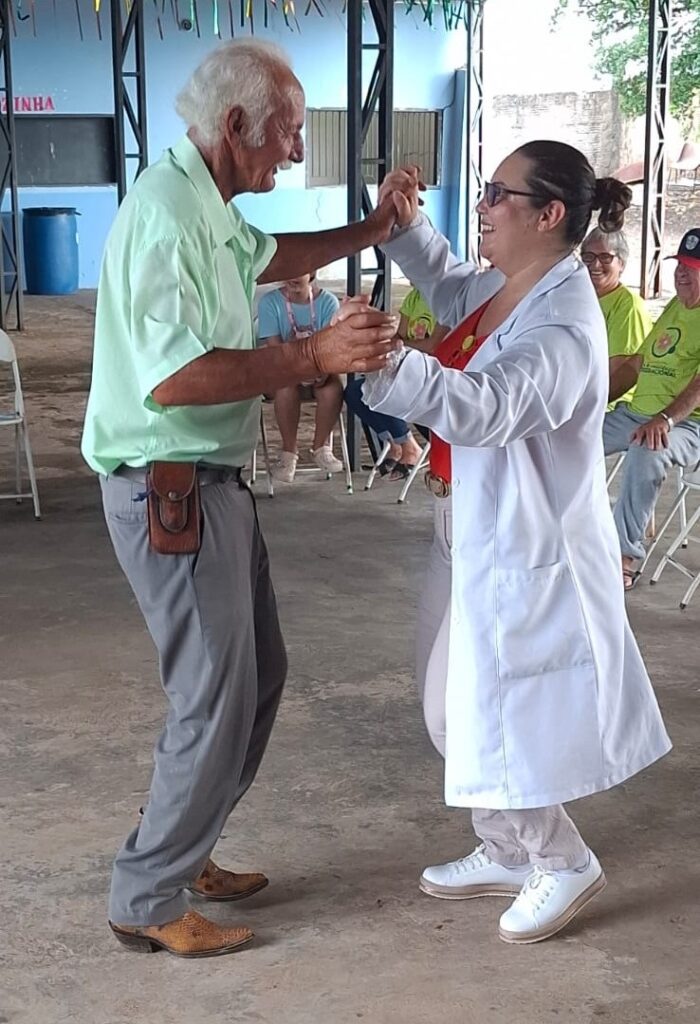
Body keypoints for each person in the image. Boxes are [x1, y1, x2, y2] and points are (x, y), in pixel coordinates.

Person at [81, 40, 401, 959]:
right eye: (288, 136)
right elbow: (176, 379)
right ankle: (147, 893)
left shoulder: (210, 204)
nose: (294, 154)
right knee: (214, 695)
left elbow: (274, 255)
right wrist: (313, 358)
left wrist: (371, 231)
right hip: (168, 488)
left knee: (257, 680)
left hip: (212, 487)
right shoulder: (165, 216)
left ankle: (184, 851)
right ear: (235, 128)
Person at [362, 142, 671, 944]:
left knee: (470, 714)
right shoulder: (509, 286)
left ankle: (561, 858)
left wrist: (389, 361)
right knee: (451, 712)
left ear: (549, 214)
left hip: (523, 549)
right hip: (463, 528)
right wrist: (404, 227)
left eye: (499, 194)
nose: (485, 205)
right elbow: (450, 282)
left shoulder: (567, 326)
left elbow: (491, 406)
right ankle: (505, 846)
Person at [603, 228, 700, 590]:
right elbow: (635, 365)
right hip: (636, 414)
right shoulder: (676, 307)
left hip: (686, 426)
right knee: (571, 438)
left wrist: (665, 419)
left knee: (648, 449)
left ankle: (624, 556)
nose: (682, 272)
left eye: (693, 267)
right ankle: (556, 533)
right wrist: (594, 400)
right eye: (681, 264)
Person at [344, 287, 448, 479]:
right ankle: (397, 443)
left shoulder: (446, 300)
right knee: (355, 392)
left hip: (434, 375)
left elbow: (433, 346)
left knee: (388, 390)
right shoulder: (414, 296)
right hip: (408, 369)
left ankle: (408, 448)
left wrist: (403, 345)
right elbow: (399, 337)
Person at [257, 272, 344, 483]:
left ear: (312, 273)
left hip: (318, 366)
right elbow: (275, 349)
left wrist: (321, 372)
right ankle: (289, 452)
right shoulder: (270, 302)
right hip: (284, 368)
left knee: (333, 388)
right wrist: (298, 371)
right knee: (285, 387)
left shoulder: (327, 302)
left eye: (300, 271)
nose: (292, 276)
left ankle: (321, 446)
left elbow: (329, 346)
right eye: (289, 270)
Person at [580, 227, 652, 408]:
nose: (595, 265)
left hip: (609, 406)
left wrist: (583, 407)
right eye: (589, 257)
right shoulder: (578, 298)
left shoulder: (628, 306)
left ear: (621, 263)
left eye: (605, 257)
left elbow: (619, 373)